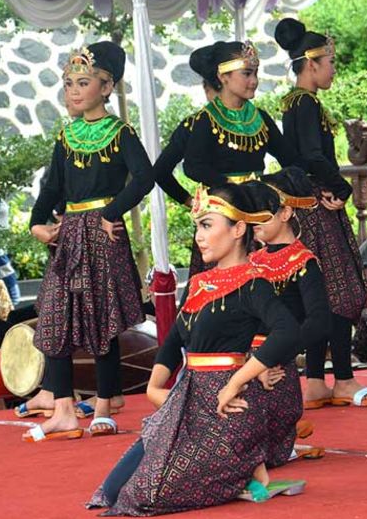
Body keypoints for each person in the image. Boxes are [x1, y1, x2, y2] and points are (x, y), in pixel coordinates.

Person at [87, 184, 301, 515]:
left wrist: (236, 381)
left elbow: (288, 331)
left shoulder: (254, 283)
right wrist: (155, 384)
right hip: (187, 404)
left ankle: (244, 465)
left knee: (143, 497)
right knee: (113, 492)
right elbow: (173, 341)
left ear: (238, 229)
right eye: (197, 226)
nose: (199, 236)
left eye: (207, 225)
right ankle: (244, 472)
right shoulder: (200, 283)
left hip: (228, 408)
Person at [24, 41, 154, 442]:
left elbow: (145, 177)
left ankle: (103, 405)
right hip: (68, 235)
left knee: (103, 318)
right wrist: (36, 224)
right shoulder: (66, 135)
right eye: (68, 84)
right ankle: (62, 407)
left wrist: (111, 214)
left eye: (83, 82)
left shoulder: (120, 132)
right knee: (54, 316)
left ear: (106, 87)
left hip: (102, 233)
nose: (73, 91)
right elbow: (52, 187)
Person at [275, 18, 367, 409]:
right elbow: (312, 156)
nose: (334, 69)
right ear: (312, 64)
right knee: (344, 292)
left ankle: (316, 380)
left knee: (323, 294)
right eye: (330, 62)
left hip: (309, 204)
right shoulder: (305, 104)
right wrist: (340, 187)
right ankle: (345, 380)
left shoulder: (296, 103)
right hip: (319, 204)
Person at [182, 40, 301, 276]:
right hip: (222, 211)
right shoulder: (205, 119)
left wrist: (269, 187)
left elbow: (291, 159)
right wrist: (228, 186)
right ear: (223, 76)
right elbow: (193, 167)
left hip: (258, 211)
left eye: (255, 73)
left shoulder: (260, 117)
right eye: (246, 73)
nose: (254, 80)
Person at [245, 168, 331, 467]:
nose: (253, 221)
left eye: (262, 213)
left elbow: (319, 321)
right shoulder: (251, 261)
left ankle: (283, 436)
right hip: (241, 363)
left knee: (247, 451)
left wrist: (274, 358)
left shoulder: (304, 262)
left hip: (274, 368)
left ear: (285, 213)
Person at [153, 46, 222, 209]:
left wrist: (190, 201)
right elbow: (160, 171)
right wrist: (190, 200)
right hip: (219, 211)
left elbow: (160, 171)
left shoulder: (193, 123)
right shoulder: (194, 124)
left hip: (221, 208)